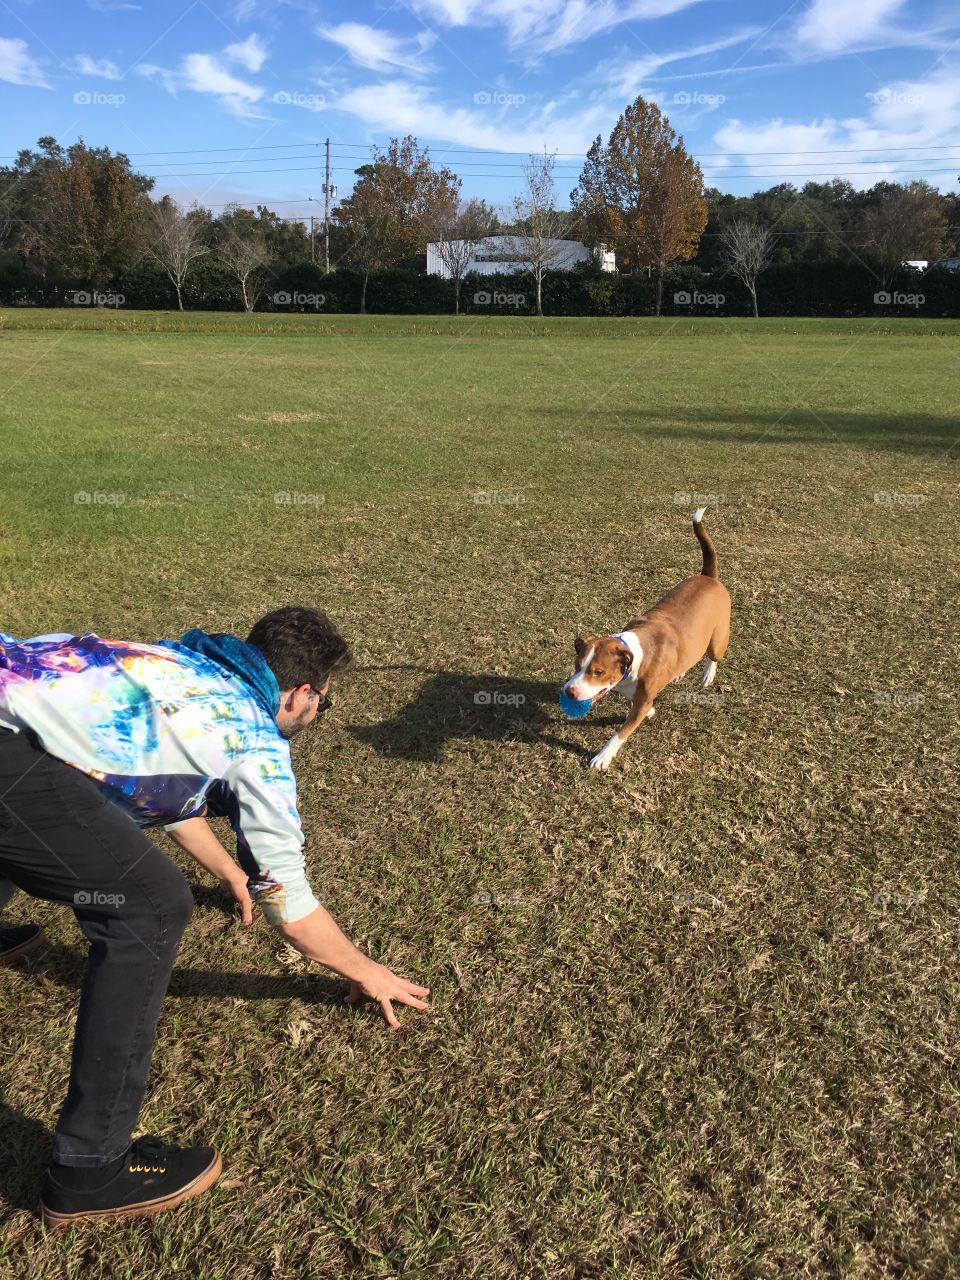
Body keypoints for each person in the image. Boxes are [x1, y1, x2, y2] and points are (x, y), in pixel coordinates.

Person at [0, 607, 429, 1227]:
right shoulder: (255, 741)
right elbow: (292, 906)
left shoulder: (183, 665)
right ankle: (90, 1169)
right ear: (303, 693)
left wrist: (230, 872)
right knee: (150, 907)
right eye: (323, 707)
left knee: (46, 797)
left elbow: (146, 782)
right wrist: (368, 971)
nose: (315, 717)